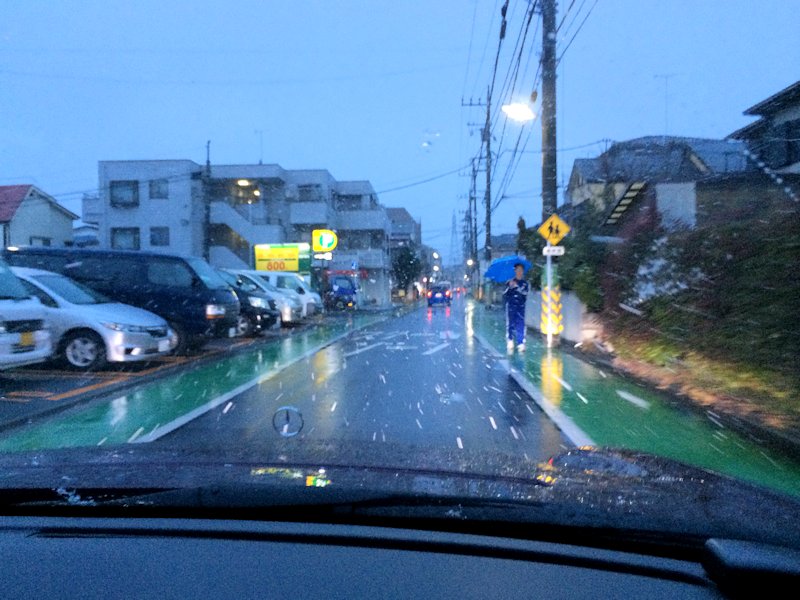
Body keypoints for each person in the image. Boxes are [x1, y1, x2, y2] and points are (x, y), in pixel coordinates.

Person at [504, 262, 529, 353]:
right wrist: (510, 287)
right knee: (510, 323)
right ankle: (510, 340)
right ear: (515, 271)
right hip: (511, 306)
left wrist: (517, 287)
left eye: (521, 270)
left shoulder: (524, 284)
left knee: (520, 324)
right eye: (517, 270)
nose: (519, 272)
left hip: (521, 307)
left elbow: (525, 294)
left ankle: (520, 343)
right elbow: (505, 295)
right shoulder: (509, 282)